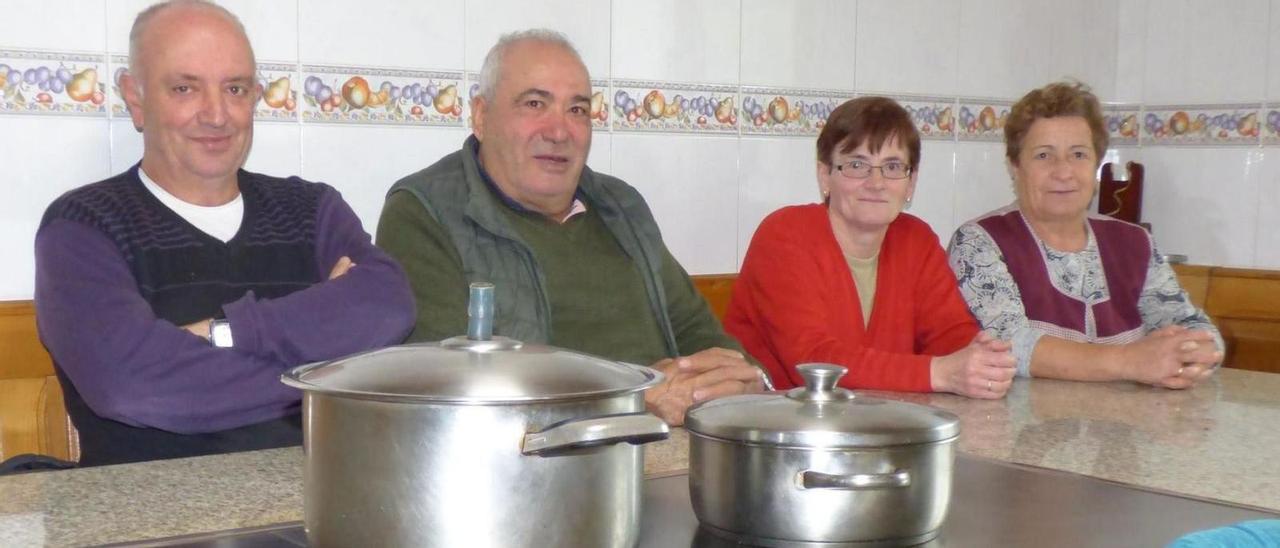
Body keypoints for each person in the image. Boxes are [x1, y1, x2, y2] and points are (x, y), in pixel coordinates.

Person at [34, 0, 415, 466]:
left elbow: (390, 303)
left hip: (321, 504)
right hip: (153, 521)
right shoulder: (81, 225)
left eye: (235, 88)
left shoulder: (312, 209)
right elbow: (133, 387)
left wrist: (224, 333)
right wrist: (327, 372)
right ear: (135, 98)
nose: (217, 114)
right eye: (184, 88)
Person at [376, 29, 763, 426]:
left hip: (666, 451)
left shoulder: (621, 207)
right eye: (534, 103)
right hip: (536, 467)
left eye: (576, 110)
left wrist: (741, 382)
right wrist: (630, 398)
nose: (559, 131)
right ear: (481, 116)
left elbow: (701, 334)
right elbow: (440, 389)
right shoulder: (425, 212)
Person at [723, 96, 1016, 398]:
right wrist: (938, 373)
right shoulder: (784, 235)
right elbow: (813, 361)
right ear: (825, 175)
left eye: (892, 166)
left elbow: (950, 334)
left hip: (878, 428)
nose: (876, 183)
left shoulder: (917, 240)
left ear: (911, 182)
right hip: (774, 430)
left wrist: (979, 358)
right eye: (857, 164)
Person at [948, 81, 1223, 389]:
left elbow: (1193, 327)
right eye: (1043, 156)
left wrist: (1193, 351)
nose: (1063, 171)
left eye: (1078, 154)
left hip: (1130, 430)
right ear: (1014, 165)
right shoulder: (980, 242)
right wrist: (1133, 361)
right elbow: (1011, 345)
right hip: (1024, 430)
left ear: (1095, 163)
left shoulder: (1134, 243)